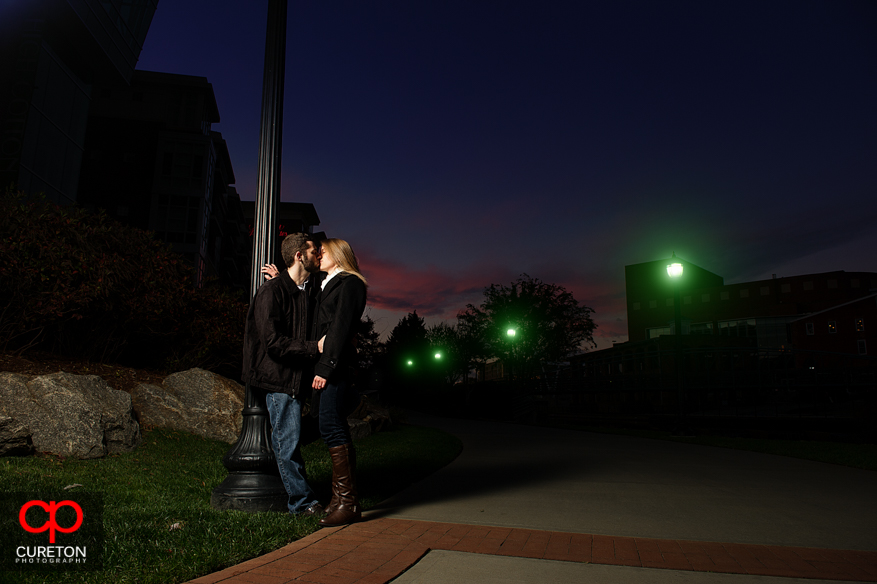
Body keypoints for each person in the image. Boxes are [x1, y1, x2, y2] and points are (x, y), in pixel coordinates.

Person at [242, 233, 324, 516]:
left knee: (294, 437)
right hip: (279, 380)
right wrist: (316, 347)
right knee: (287, 442)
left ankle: (295, 486)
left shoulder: (303, 291)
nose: (320, 255)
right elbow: (273, 343)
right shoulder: (271, 292)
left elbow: (299, 315)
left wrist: (286, 281)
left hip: (299, 380)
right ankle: (302, 503)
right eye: (315, 250)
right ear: (300, 255)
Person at [311, 238, 368, 527]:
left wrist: (325, 367)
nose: (318, 255)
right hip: (328, 365)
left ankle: (348, 502)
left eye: (323, 251)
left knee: (332, 426)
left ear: (339, 254)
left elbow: (340, 327)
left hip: (335, 366)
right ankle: (338, 500)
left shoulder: (350, 283)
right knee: (329, 425)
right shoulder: (328, 283)